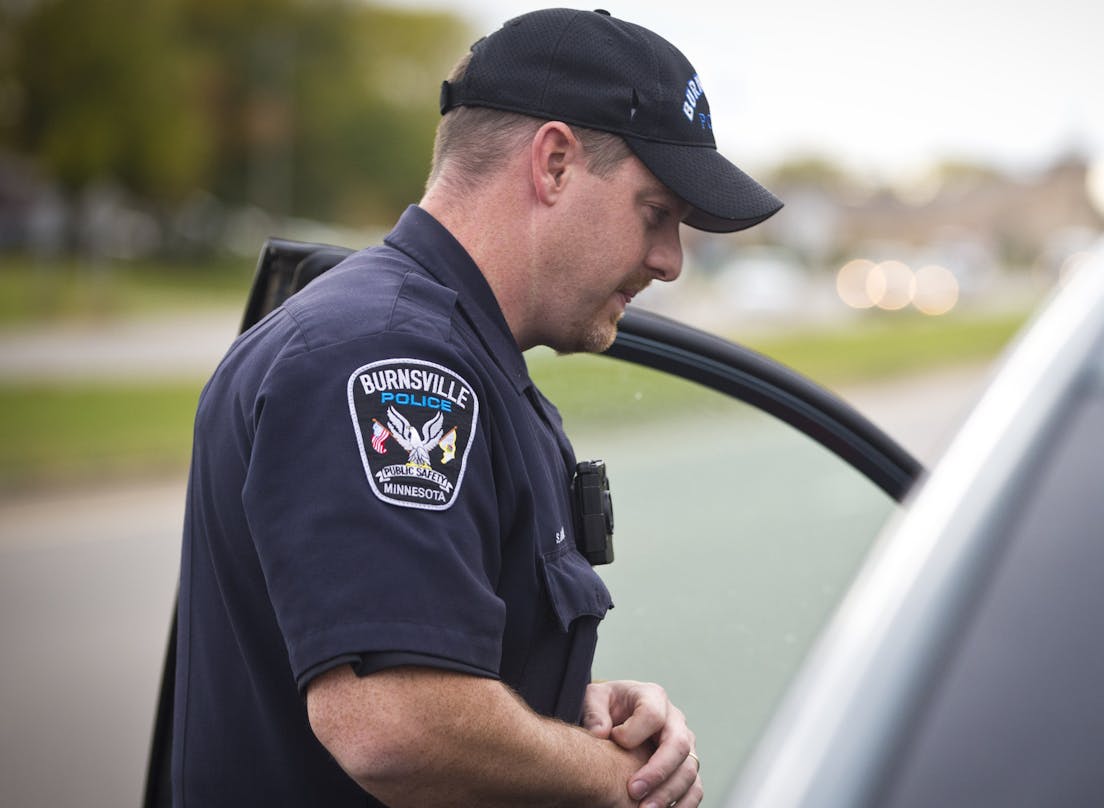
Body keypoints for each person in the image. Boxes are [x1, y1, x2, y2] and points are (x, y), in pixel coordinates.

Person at [171, 8, 781, 807]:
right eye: (655, 214)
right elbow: (395, 725)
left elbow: (434, 669)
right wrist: (616, 782)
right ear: (554, 163)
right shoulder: (390, 359)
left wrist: (567, 714)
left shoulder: (456, 356)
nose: (668, 262)